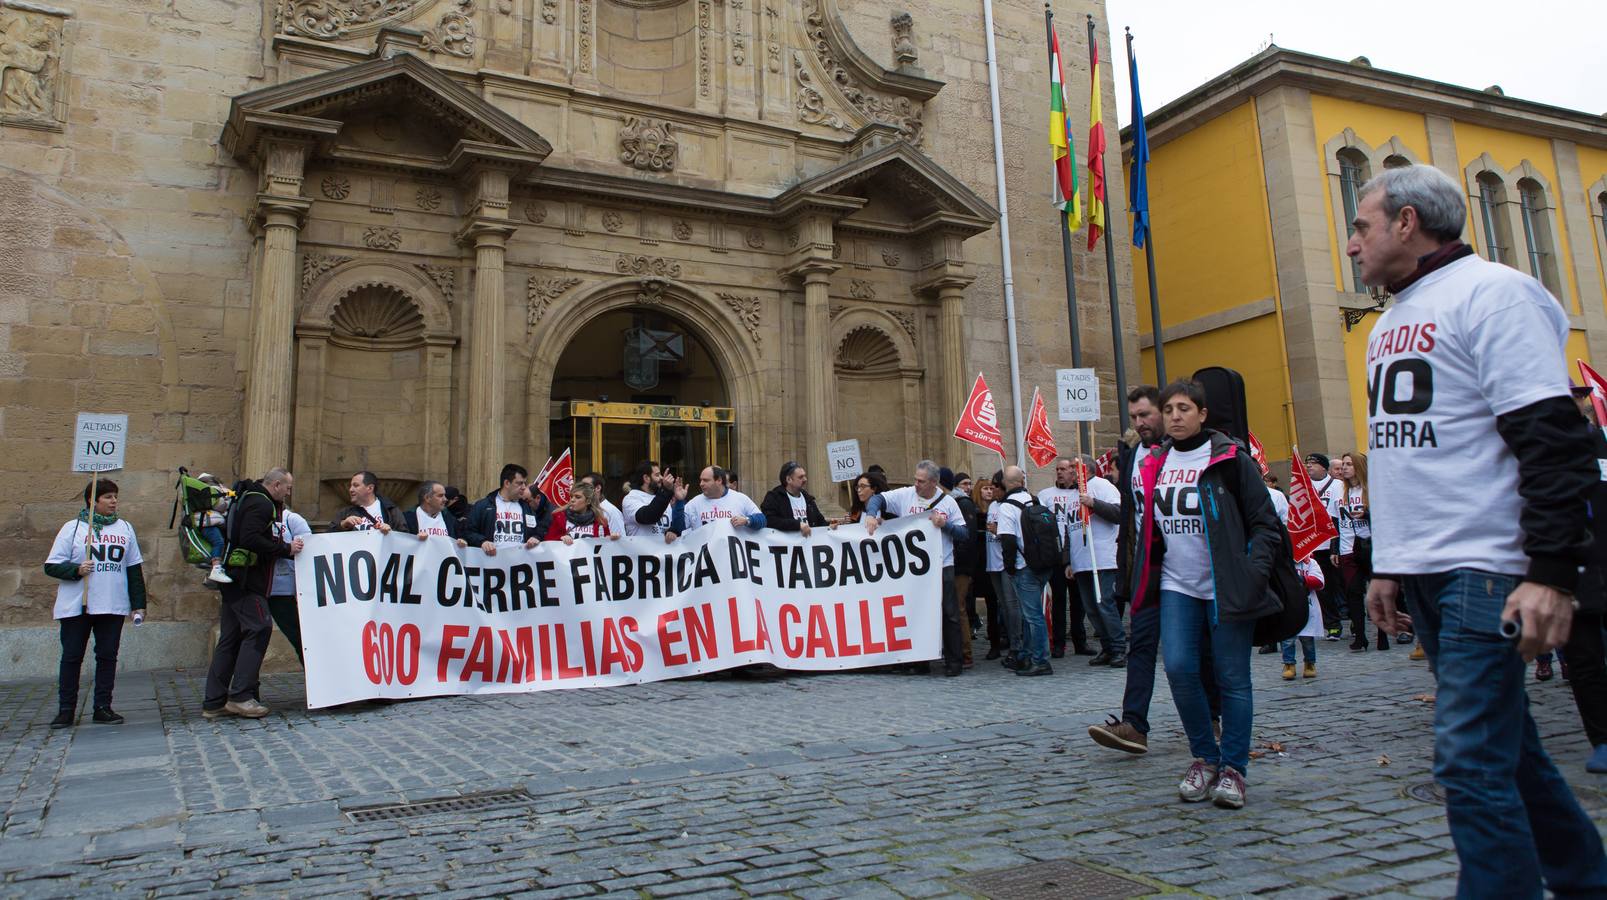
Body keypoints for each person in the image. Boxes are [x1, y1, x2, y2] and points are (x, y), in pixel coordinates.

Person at [1352, 163, 1607, 893]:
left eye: (1360, 226)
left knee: (1467, 761)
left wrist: (1551, 574)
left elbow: (1553, 444)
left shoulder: (1495, 294)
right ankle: (1585, 880)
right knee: (1509, 752)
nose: (1350, 245)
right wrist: (1387, 563)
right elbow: (1411, 454)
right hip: (1425, 571)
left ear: (1406, 222)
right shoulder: (1390, 317)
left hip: (1486, 569)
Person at [1136, 380, 1282, 809]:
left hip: (1225, 584)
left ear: (1202, 414)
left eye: (1185, 408)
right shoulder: (1155, 461)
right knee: (1180, 669)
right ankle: (1205, 756)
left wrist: (1251, 572)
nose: (1176, 416)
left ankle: (1234, 767)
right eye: (1169, 409)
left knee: (1232, 677)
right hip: (1176, 583)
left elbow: (1265, 523)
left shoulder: (1230, 458)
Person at [1090, 386, 1222, 755]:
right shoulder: (1132, 454)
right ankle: (1134, 724)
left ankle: (1211, 716)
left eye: (1146, 415)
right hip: (1147, 568)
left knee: (1200, 649)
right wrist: (1127, 567)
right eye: (1134, 417)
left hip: (1189, 564)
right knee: (1141, 645)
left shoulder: (1183, 454)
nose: (1140, 423)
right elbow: (1132, 516)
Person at [44, 479, 147, 728]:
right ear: (92, 500)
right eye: (108, 497)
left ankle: (103, 706)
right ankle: (66, 709)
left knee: (107, 656)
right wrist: (76, 569)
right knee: (71, 657)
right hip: (78, 604)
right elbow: (51, 565)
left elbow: (133, 568)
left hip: (112, 603)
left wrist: (138, 603)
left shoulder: (125, 528)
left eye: (115, 497)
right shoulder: (73, 528)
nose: (114, 501)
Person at [204, 468, 304, 719]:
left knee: (230, 637)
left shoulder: (248, 497)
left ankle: (214, 701)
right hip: (246, 581)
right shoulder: (261, 503)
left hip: (233, 578)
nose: (289, 492)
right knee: (259, 628)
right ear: (277, 485)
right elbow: (250, 538)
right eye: (288, 487)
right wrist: (285, 548)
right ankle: (241, 696)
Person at [874, 460, 969, 676]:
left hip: (942, 565)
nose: (916, 484)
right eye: (915, 479)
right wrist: (872, 514)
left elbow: (964, 534)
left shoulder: (948, 503)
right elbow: (879, 499)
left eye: (921, 481)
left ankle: (954, 661)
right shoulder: (906, 495)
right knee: (917, 612)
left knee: (949, 613)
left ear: (934, 482)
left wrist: (946, 526)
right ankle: (920, 660)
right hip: (913, 568)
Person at [1564, 382, 1607, 773]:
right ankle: (1602, 738)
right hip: (1571, 562)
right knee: (1584, 657)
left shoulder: (1601, 441)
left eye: (1578, 397)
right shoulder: (1537, 448)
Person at [996, 465, 1053, 677]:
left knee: (1032, 616)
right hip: (1043, 564)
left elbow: (1008, 541)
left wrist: (1009, 567)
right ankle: (1028, 655)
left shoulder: (1007, 507)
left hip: (1024, 566)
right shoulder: (1034, 500)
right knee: (1033, 614)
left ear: (1005, 482)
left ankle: (1040, 660)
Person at [1071, 454, 1125, 667]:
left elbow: (1119, 513)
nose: (1070, 473)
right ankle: (1107, 646)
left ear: (1086, 470)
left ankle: (1119, 648)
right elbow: (1070, 527)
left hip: (1101, 557)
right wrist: (1069, 561)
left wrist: (1094, 503)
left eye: (1074, 469)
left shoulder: (1102, 486)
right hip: (1082, 559)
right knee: (1091, 608)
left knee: (1105, 605)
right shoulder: (1073, 493)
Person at [1038, 458, 1093, 659]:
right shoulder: (1045, 495)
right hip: (1056, 554)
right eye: (1058, 469)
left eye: (1064, 469)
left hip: (1077, 552)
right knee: (1059, 600)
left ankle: (1080, 641)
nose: (1060, 472)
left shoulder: (1081, 494)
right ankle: (1058, 644)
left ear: (1073, 472)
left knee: (1079, 601)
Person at [1334, 452, 1385, 652]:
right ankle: (1360, 637)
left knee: (1377, 593)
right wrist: (1334, 548)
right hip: (1347, 548)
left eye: (1349, 464)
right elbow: (1335, 522)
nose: (1345, 468)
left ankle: (1382, 635)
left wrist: (1367, 513)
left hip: (1370, 547)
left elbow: (1384, 518)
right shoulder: (1341, 492)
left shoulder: (1370, 489)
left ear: (1359, 466)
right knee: (1353, 593)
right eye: (1344, 464)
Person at [984, 470, 1024, 669]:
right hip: (993, 563)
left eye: (996, 488)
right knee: (1003, 606)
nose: (993, 492)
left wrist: (997, 530)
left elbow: (1013, 534)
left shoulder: (1010, 506)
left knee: (1012, 606)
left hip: (1008, 563)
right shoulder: (992, 505)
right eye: (990, 488)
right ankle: (1010, 641)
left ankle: (1017, 645)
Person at [464, 464, 549, 554]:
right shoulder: (483, 506)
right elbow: (468, 532)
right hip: (491, 562)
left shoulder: (527, 507)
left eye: (524, 483)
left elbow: (539, 530)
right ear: (507, 483)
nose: (524, 487)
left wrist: (536, 537)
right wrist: (482, 542)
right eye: (519, 483)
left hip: (520, 564)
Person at [1304, 453, 1345, 640]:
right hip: (1315, 544)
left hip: (1335, 542)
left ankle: (1353, 617)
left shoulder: (1337, 485)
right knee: (1324, 586)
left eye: (1312, 463)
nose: (1309, 466)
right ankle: (1332, 624)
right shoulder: (1304, 486)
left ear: (1323, 467)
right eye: (1307, 464)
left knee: (1343, 583)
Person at [267, 503, 312, 667]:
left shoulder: (291, 519)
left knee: (299, 637)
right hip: (260, 587)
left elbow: (308, 550)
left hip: (285, 590)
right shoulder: (258, 518)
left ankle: (313, 677)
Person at [948, 468, 982, 664]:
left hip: (960, 565)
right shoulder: (953, 502)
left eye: (970, 484)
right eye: (964, 484)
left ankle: (965, 653)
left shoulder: (963, 503)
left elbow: (967, 538)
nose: (968, 488)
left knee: (959, 608)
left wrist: (963, 563)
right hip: (956, 564)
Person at [967, 476, 1001, 660]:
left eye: (991, 488)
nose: (989, 491)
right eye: (985, 488)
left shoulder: (998, 509)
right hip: (977, 563)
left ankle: (996, 643)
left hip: (993, 561)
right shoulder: (973, 512)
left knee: (993, 604)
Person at [682, 466, 766, 533]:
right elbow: (678, 528)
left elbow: (762, 520)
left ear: (719, 480)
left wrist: (747, 520)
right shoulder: (694, 503)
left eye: (705, 480)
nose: (701, 484)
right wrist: (679, 501)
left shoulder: (740, 499)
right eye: (701, 480)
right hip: (704, 553)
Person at [621, 460, 687, 542]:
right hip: (641, 553)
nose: (661, 478)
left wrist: (679, 501)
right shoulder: (631, 498)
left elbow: (680, 529)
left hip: (663, 553)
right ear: (646, 478)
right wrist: (665, 490)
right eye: (657, 475)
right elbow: (648, 517)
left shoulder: (661, 497)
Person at [1282, 557, 1324, 680]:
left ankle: (1310, 663)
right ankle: (1289, 664)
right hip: (1289, 605)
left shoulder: (1311, 563)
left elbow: (1320, 582)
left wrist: (1305, 579)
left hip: (1307, 606)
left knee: (1307, 639)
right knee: (1287, 639)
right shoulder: (1283, 563)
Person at [759, 462, 828, 537]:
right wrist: (797, 525)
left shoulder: (808, 499)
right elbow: (769, 520)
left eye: (805, 476)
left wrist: (831, 526)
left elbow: (820, 522)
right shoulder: (774, 497)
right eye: (800, 477)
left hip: (808, 545)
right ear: (789, 479)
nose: (805, 479)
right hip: (787, 546)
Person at [332, 471, 406, 533]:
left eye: (356, 485)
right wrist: (343, 525)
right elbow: (327, 538)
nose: (351, 489)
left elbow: (404, 537)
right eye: (350, 486)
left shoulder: (391, 510)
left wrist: (391, 532)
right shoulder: (345, 513)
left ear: (370, 488)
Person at [545, 483, 620, 543]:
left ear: (588, 501)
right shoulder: (560, 518)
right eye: (571, 496)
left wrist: (612, 539)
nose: (572, 500)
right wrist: (560, 539)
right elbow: (548, 543)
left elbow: (605, 547)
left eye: (577, 497)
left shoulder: (600, 521)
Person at [195, 472, 233, 585]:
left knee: (215, 547)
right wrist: (227, 500)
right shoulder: (214, 490)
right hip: (209, 523)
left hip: (203, 523)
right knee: (219, 543)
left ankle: (211, 576)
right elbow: (220, 505)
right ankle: (216, 570)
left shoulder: (199, 492)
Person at [405, 481, 467, 547]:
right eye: (440, 496)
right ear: (427, 498)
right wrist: (415, 540)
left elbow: (461, 538)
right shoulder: (407, 519)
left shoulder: (450, 519)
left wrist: (462, 542)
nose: (445, 499)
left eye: (444, 495)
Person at [579, 472, 626, 537]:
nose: (582, 490)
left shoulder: (611, 511)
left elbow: (620, 541)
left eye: (586, 486)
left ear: (598, 488)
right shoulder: (581, 509)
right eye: (581, 487)